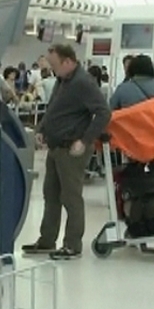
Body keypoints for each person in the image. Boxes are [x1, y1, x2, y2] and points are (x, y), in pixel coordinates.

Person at [22, 44, 111, 260]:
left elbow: (103, 112)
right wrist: (42, 129)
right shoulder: (63, 81)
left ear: (68, 62)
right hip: (56, 147)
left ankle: (72, 244)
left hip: (72, 149)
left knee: (71, 197)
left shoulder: (83, 83)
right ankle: (47, 240)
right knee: (50, 194)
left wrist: (85, 140)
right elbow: (53, 108)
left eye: (54, 65)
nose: (52, 70)